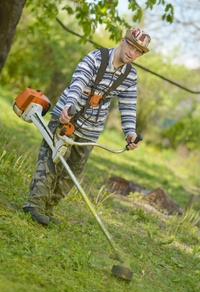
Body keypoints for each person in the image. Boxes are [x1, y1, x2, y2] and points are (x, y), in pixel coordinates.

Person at [23, 27, 151, 225]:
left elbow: (128, 106)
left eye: (138, 52)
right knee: (52, 161)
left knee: (72, 171)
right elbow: (78, 82)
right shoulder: (95, 58)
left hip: (92, 128)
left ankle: (49, 208)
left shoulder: (130, 76)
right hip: (67, 117)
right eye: (131, 46)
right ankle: (34, 205)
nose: (132, 53)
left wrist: (130, 133)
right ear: (122, 40)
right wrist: (68, 105)